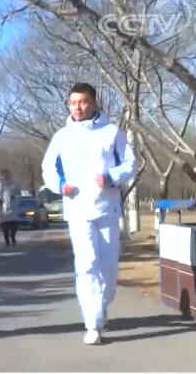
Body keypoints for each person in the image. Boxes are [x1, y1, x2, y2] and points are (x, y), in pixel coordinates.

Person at [41, 82, 136, 345]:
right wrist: (60, 185)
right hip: (77, 209)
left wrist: (110, 176)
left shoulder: (111, 132)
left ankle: (101, 305)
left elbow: (130, 163)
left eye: (83, 102)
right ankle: (92, 324)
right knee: (86, 265)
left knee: (109, 269)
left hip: (106, 208)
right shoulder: (62, 137)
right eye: (73, 103)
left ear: (94, 102)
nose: (78, 107)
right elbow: (48, 168)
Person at [0, 170, 22, 246]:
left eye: (7, 176)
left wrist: (14, 196)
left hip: (13, 207)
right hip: (3, 208)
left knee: (15, 225)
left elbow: (19, 194)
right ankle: (7, 240)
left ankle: (12, 236)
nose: (5, 178)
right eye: (4, 176)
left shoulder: (15, 185)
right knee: (4, 225)